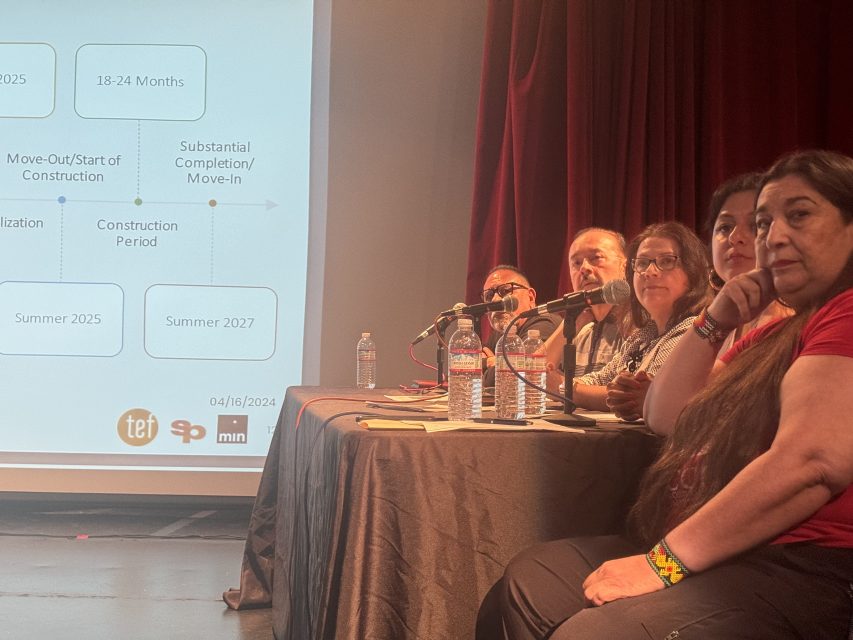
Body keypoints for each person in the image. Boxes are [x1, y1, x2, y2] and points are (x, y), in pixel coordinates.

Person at [476, 149, 853, 639]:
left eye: (798, 215)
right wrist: (715, 320)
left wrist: (664, 565)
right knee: (521, 585)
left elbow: (812, 463)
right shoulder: (769, 338)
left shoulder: (844, 315)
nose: (771, 237)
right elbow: (664, 414)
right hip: (718, 551)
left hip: (797, 565)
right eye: (764, 224)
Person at [571, 222, 712, 421]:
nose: (650, 272)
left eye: (666, 261)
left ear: (693, 271)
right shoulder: (644, 335)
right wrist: (568, 386)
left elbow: (645, 396)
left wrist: (568, 389)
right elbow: (601, 379)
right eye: (642, 263)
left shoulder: (695, 329)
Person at [705, 171, 792, 351]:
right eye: (725, 227)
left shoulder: (792, 321)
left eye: (756, 225)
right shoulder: (714, 318)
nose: (735, 237)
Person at [542, 228, 629, 393]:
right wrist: (572, 323)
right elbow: (532, 377)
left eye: (596, 258)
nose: (584, 268)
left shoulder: (639, 322)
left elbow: (628, 394)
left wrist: (562, 387)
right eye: (576, 263)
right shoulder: (582, 330)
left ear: (625, 267)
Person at [480, 265, 559, 387]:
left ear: (531, 297)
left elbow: (514, 380)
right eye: (489, 296)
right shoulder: (500, 333)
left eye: (505, 291)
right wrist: (489, 363)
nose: (495, 300)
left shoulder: (544, 323)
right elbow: (466, 375)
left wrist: (496, 364)